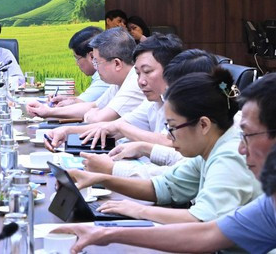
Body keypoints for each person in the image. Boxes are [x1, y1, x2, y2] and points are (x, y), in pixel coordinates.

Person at [55, 73, 276, 254]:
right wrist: (106, 228)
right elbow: (170, 193)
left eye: (247, 135)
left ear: (203, 125)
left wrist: (138, 213)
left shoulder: (229, 155)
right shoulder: (269, 204)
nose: (241, 148)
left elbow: (200, 225)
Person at [44, 34, 184, 164]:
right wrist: (66, 131)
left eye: (147, 72)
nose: (141, 81)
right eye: (138, 73)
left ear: (170, 70)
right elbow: (111, 126)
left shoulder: (183, 99)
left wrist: (121, 128)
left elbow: (172, 142)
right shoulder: (153, 98)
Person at [101, 49, 218, 177]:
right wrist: (143, 148)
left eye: (172, 127)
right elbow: (180, 163)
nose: (169, 137)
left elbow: (174, 179)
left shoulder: (223, 152)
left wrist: (113, 169)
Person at [27, 28, 144, 123]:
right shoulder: (119, 82)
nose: (96, 67)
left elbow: (98, 119)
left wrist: (91, 115)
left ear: (117, 63)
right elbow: (92, 106)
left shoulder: (134, 83)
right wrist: (47, 111)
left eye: (97, 62)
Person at [48, 26, 108, 107]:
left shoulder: (105, 79)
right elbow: (86, 102)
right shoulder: (102, 75)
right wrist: (67, 100)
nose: (77, 63)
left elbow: (81, 105)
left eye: (77, 58)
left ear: (92, 56)